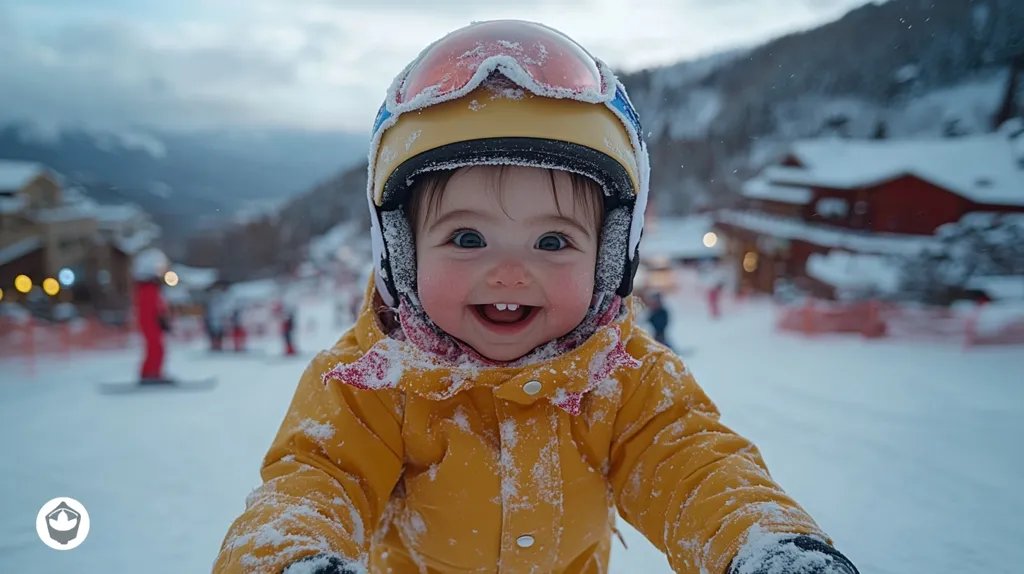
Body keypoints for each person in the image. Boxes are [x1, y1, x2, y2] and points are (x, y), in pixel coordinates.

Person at [213, 20, 859, 574]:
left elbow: (694, 466)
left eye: (553, 242)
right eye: (468, 237)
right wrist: (290, 558)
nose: (510, 273)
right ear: (400, 253)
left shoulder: (624, 380)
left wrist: (764, 544)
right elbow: (314, 482)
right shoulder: (372, 385)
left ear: (611, 257)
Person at [132, 247, 172, 383]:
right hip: (151, 323)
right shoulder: (148, 289)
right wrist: (161, 319)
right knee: (155, 347)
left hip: (152, 322)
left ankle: (152, 372)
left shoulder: (150, 288)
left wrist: (163, 319)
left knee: (156, 347)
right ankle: (151, 373)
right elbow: (152, 308)